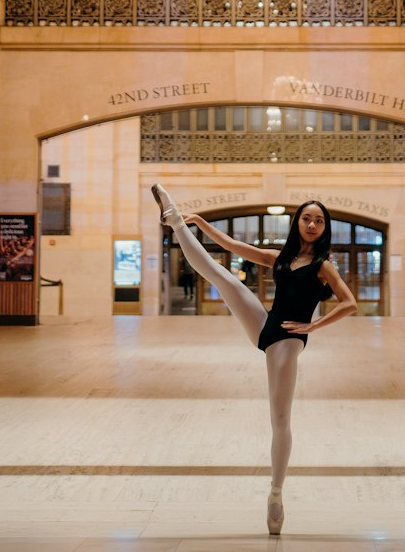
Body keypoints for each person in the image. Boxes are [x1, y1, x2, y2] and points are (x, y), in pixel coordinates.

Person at [151, 185, 357, 535]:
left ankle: (276, 494)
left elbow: (349, 302)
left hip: (289, 341)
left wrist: (312, 325)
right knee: (222, 275)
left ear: (325, 228)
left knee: (279, 418)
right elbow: (232, 247)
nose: (312, 224)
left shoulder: (324, 266)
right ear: (297, 222)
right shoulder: (281, 258)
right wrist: (199, 220)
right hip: (265, 325)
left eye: (319, 220)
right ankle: (175, 221)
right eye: (307, 218)